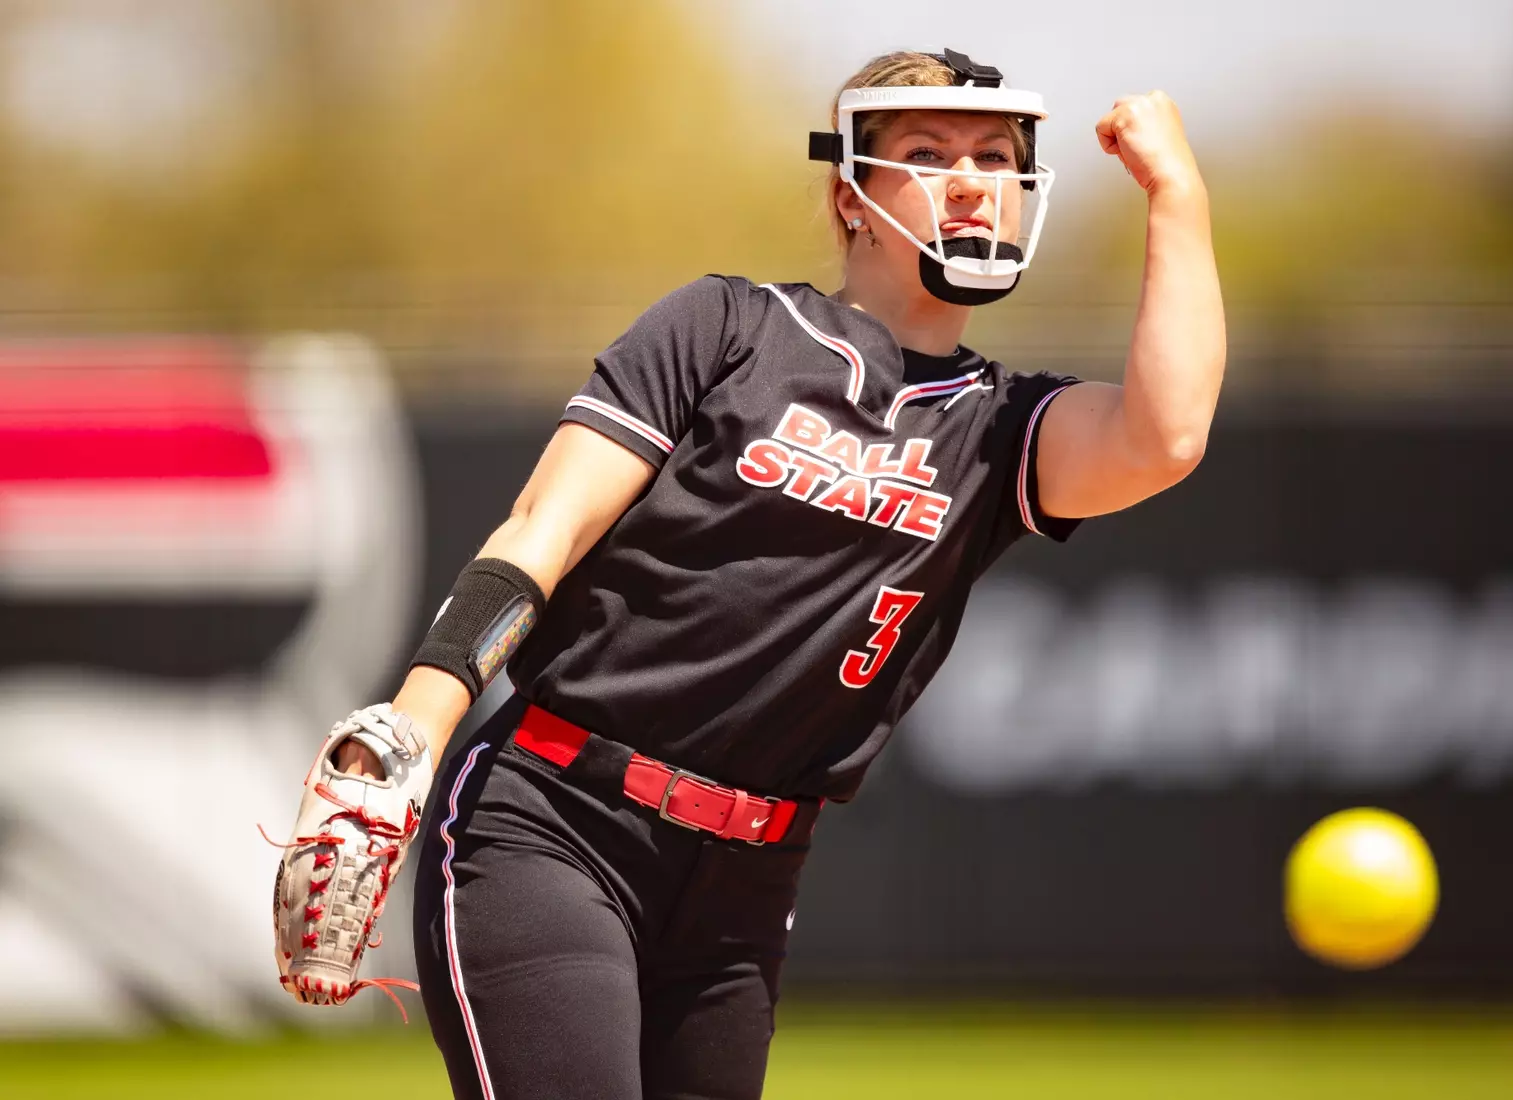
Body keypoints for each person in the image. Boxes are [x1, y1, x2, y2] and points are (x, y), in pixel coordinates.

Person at [270, 47, 1224, 1100]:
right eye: (927, 151)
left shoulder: (1001, 430)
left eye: (996, 157)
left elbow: (1166, 436)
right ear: (849, 191)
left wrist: (1176, 196)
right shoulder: (729, 327)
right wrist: (409, 730)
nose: (970, 180)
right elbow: (544, 524)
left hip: (743, 888)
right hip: (553, 822)